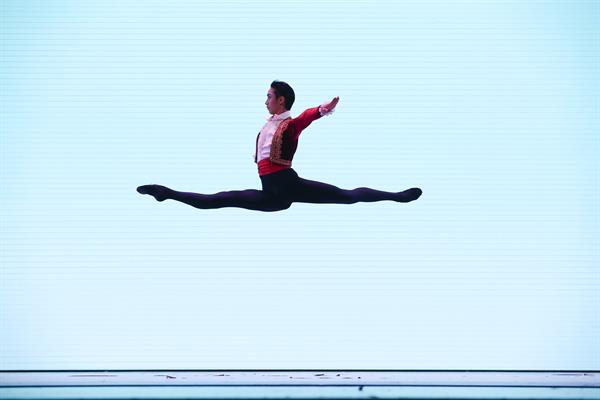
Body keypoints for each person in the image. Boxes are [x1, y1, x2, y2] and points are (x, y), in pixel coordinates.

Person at [137, 80, 422, 212]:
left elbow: (306, 117)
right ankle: (166, 193)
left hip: (288, 185)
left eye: (269, 96)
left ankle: (398, 196)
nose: (266, 101)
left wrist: (322, 109)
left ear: (281, 100)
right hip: (271, 196)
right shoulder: (267, 126)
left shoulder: (290, 124)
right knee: (219, 200)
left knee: (347, 196)